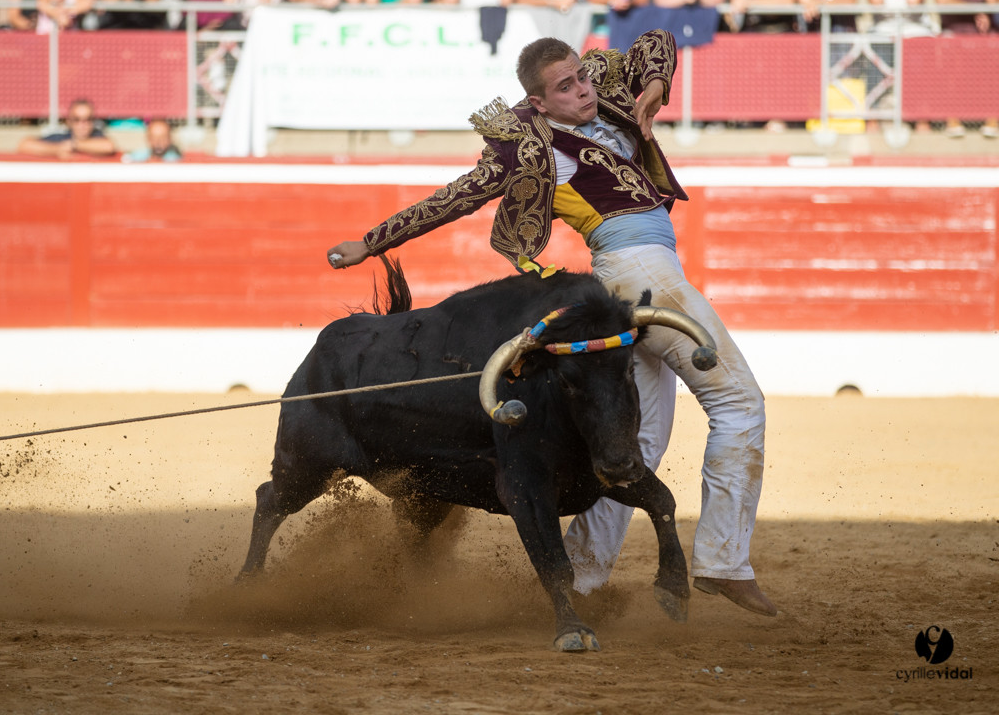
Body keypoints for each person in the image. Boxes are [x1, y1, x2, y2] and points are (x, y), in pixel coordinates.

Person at [325, 30, 776, 618]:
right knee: (739, 402)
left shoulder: (609, 94)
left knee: (631, 443)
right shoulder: (527, 143)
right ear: (539, 102)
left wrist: (656, 88)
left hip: (632, 279)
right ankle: (723, 562)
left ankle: (584, 582)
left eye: (582, 77)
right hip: (639, 272)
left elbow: (657, 42)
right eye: (566, 87)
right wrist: (369, 242)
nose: (583, 91)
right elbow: (455, 198)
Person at [933, 0, 999, 139]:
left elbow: (992, 0)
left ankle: (991, 117)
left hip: (984, 37)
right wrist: (974, 11)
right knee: (948, 54)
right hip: (955, 34)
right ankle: (953, 118)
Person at [18, 98, 118, 159]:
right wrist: (57, 149)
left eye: (87, 119)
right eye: (77, 119)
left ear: (93, 121)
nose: (82, 124)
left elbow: (109, 146)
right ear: (69, 121)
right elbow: (24, 145)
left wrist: (74, 145)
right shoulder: (61, 137)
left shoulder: (97, 136)